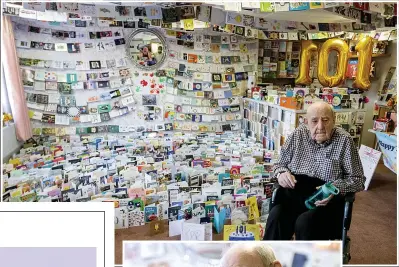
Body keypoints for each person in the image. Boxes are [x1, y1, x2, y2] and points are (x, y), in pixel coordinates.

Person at [264, 102, 365, 241]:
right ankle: (271, 260)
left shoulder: (344, 140)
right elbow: (280, 164)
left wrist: (336, 188)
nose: (320, 127)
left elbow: (358, 179)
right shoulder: (297, 134)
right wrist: (281, 173)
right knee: (276, 217)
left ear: (334, 120)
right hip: (294, 194)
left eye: (325, 120)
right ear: (306, 121)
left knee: (305, 223)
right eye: (314, 121)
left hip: (324, 201)